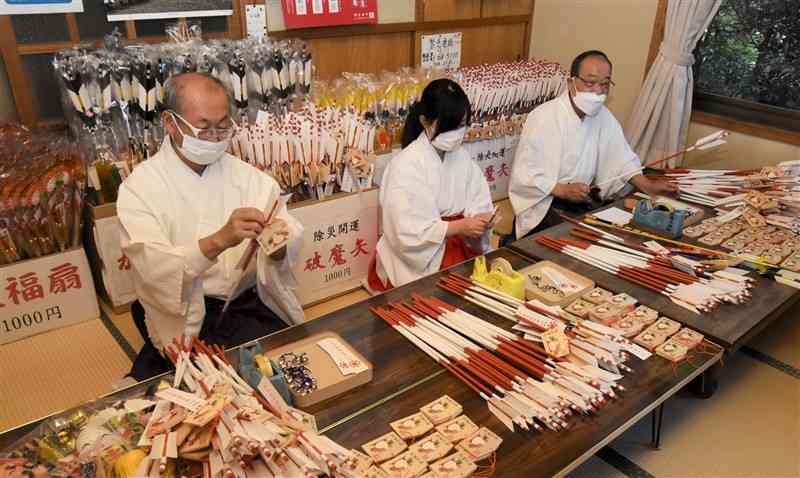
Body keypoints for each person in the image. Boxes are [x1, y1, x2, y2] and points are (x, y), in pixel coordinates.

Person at [118, 72, 305, 381]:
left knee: (278, 376)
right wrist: (220, 240)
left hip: (243, 302)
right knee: (185, 394)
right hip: (179, 310)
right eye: (203, 128)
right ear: (169, 122)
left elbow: (284, 242)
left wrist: (277, 246)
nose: (216, 138)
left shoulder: (250, 178)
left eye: (223, 127)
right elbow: (153, 268)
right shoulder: (140, 187)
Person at [506, 50, 677, 242]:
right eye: (590, 82)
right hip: (547, 202)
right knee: (584, 243)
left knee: (620, 236)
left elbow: (620, 157)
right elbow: (526, 173)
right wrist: (561, 189)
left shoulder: (603, 116)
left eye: (604, 84)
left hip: (583, 198)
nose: (597, 91)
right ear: (571, 83)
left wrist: (647, 185)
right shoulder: (544, 117)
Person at [367, 79, 494, 291]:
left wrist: (482, 220)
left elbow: (479, 198)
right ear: (425, 121)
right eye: (449, 127)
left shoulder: (461, 156)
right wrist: (458, 226)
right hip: (420, 258)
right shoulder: (405, 165)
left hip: (460, 244)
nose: (456, 134)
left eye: (462, 125)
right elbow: (405, 230)